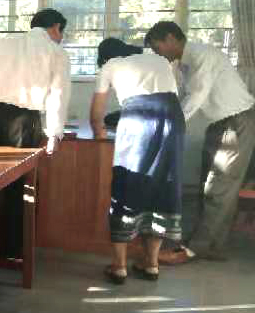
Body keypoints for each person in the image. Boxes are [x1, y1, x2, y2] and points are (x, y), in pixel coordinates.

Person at [0, 8, 71, 259]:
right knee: (15, 185)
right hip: (23, 121)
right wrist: (54, 134)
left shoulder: (5, 41)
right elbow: (58, 96)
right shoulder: (56, 52)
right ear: (55, 28)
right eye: (61, 32)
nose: (61, 38)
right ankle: (10, 249)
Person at [146, 21, 255, 261]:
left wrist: (171, 127)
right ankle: (210, 245)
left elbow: (196, 95)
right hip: (219, 123)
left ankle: (195, 249)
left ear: (171, 39)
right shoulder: (183, 63)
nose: (157, 53)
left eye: (157, 47)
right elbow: (182, 97)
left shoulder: (203, 56)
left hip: (237, 123)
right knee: (207, 186)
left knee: (217, 188)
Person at [91, 38, 185, 283]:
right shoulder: (158, 59)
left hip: (138, 120)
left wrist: (99, 134)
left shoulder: (109, 66)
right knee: (162, 186)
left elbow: (97, 113)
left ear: (105, 57)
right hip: (173, 120)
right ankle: (151, 264)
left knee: (126, 185)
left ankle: (119, 266)